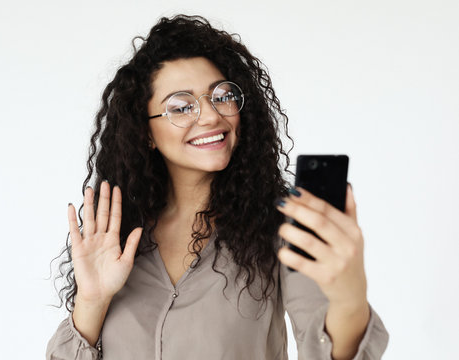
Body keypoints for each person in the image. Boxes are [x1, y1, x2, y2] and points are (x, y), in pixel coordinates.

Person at [46, 14, 389, 360]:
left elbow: (327, 347)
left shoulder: (282, 224)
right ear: (146, 132)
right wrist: (92, 301)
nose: (211, 116)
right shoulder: (116, 237)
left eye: (222, 96)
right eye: (181, 106)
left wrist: (349, 297)